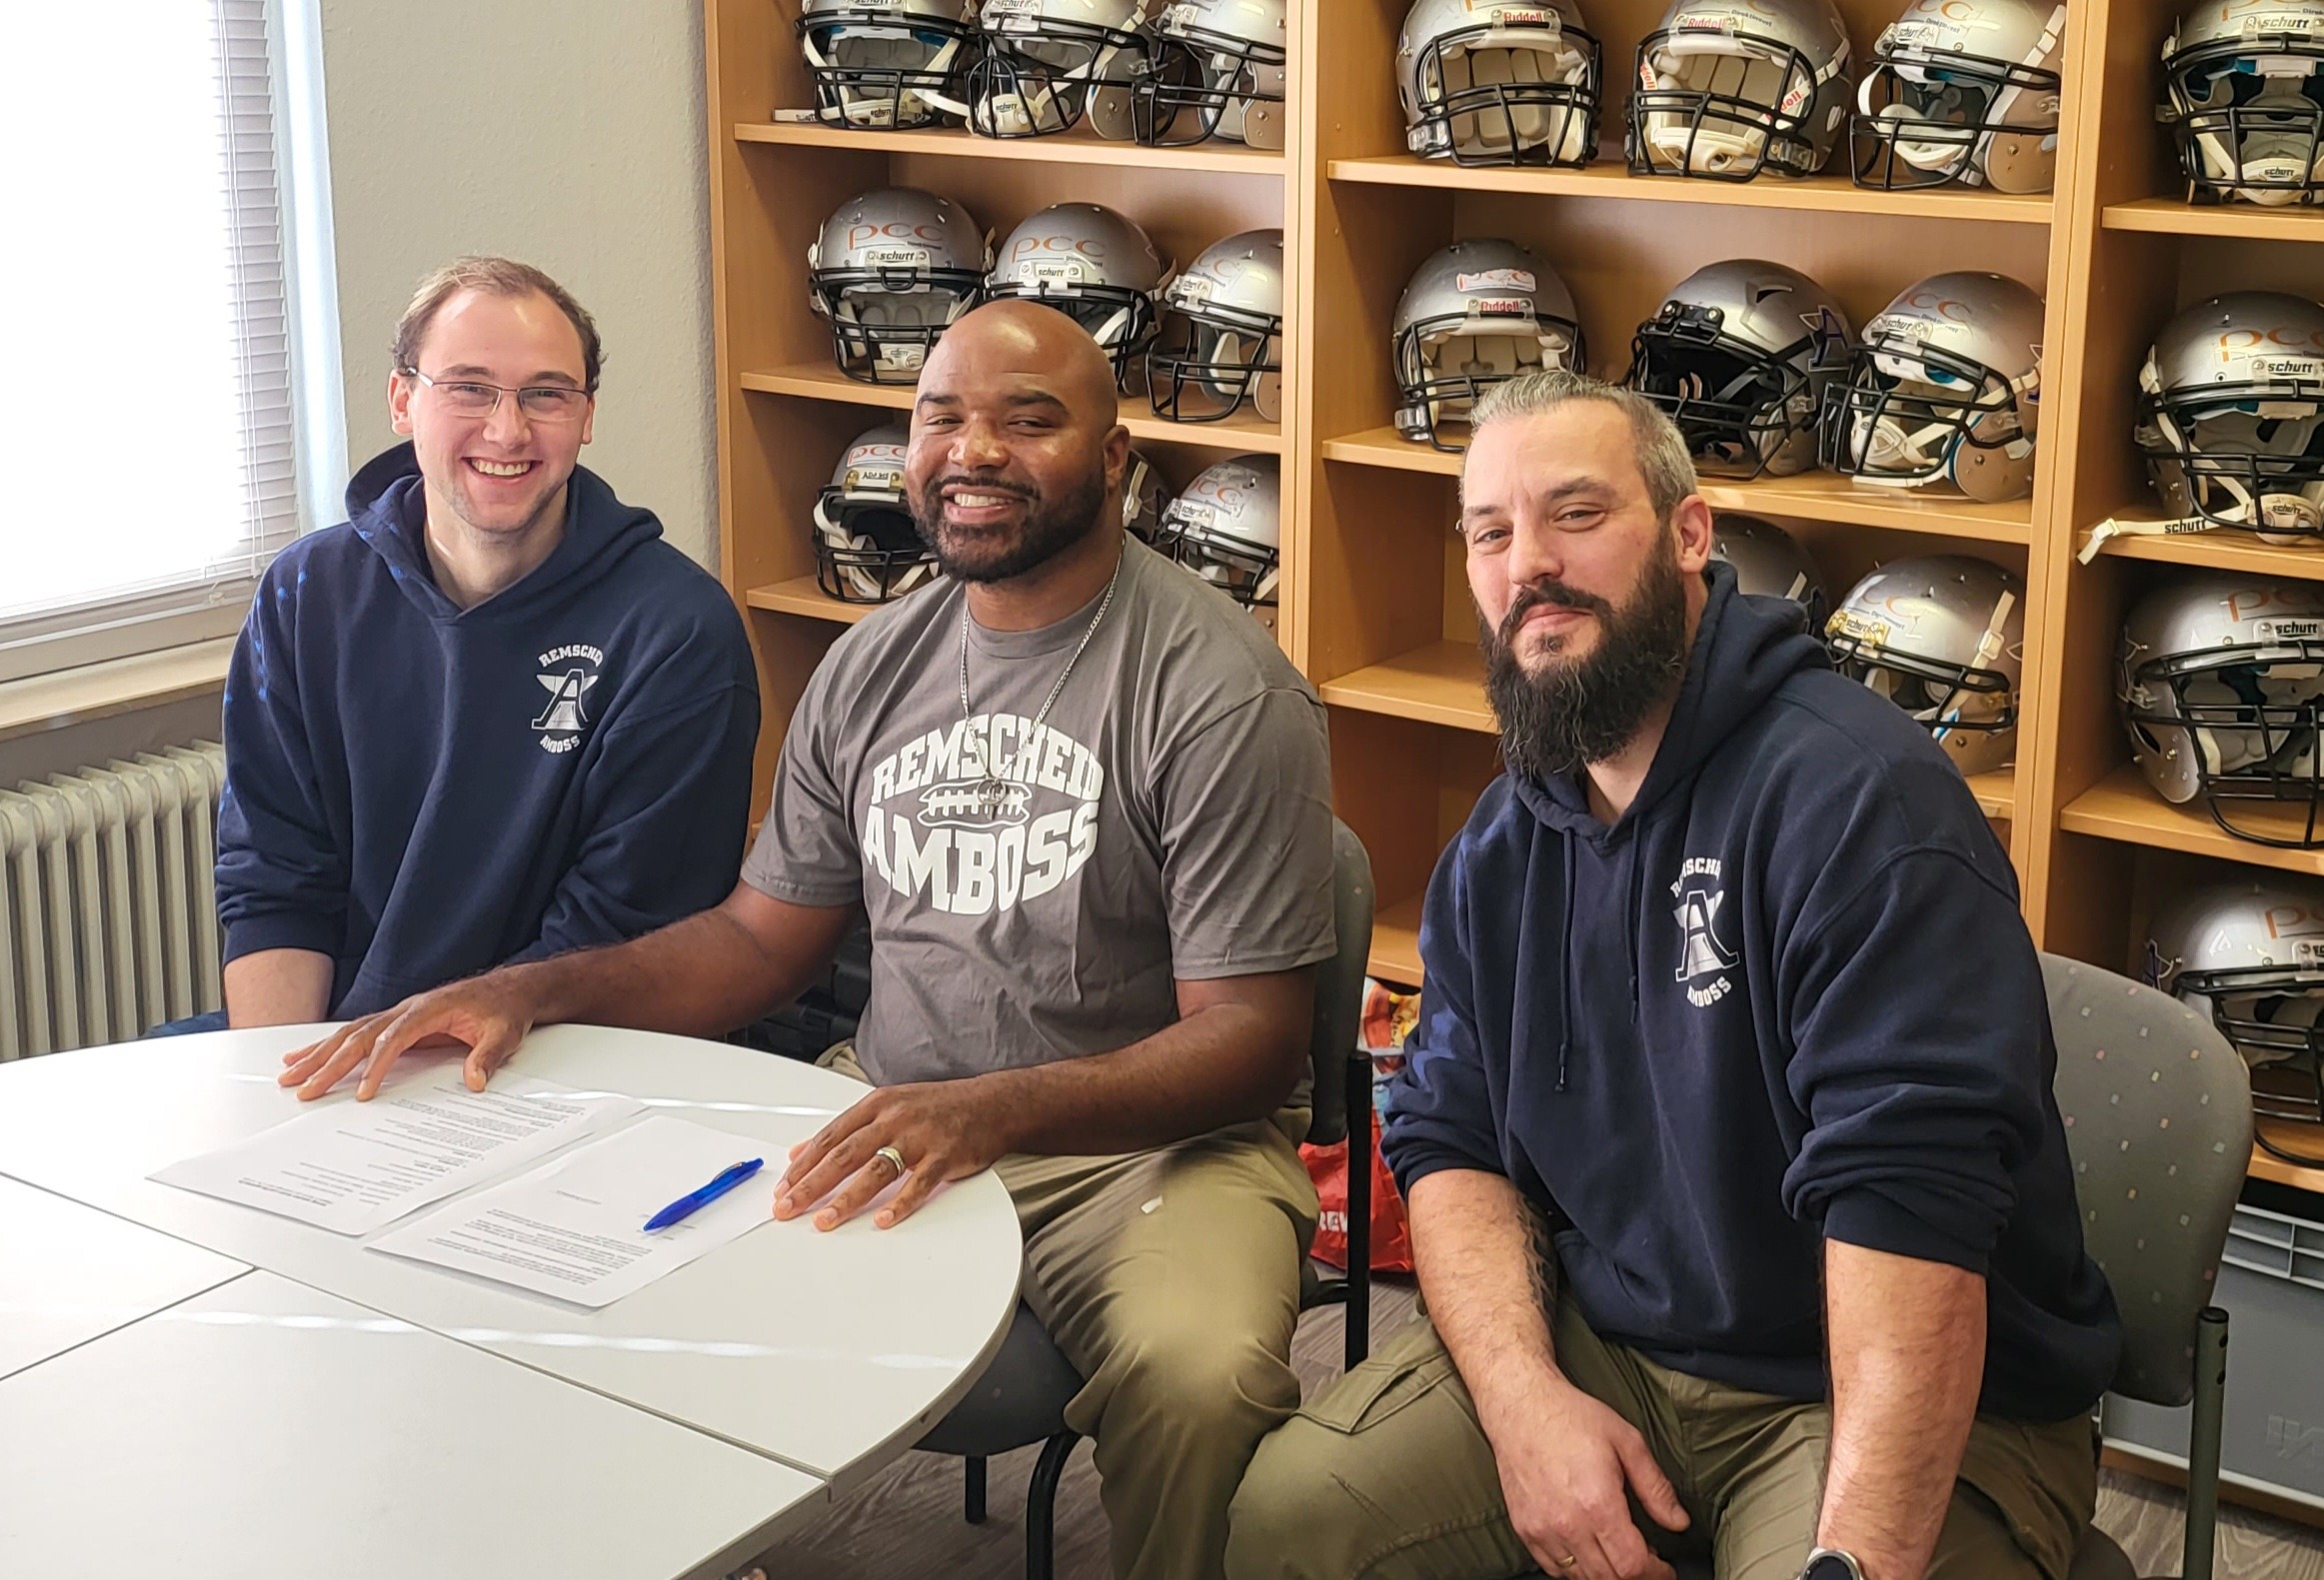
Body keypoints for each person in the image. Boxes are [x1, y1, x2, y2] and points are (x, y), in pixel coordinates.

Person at [274, 300, 1339, 1580]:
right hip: (893, 1117)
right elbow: (753, 944)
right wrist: (528, 990)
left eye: (1030, 419)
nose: (974, 450)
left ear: (1117, 460)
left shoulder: (1221, 688)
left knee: (1200, 1376)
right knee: (603, 1268)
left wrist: (990, 1111)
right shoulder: (871, 665)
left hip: (1152, 1150)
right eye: (942, 417)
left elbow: (1251, 1043)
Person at [1224, 371, 2121, 1580]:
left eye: (1576, 513)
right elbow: (1452, 1142)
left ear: (1689, 535)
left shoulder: (1862, 806)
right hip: (1621, 1348)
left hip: (1874, 1391)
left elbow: (1909, 1210)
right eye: (1490, 533)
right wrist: (1523, 1404)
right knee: (1296, 1520)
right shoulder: (1501, 845)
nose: (1526, 563)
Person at [182, 257, 759, 1036]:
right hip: (338, 1043)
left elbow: (620, 942)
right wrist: (281, 1084)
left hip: (553, 1053)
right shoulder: (305, 593)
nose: (507, 428)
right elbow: (277, 883)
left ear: (587, 416)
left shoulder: (677, 632)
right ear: (402, 399)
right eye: (468, 387)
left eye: (546, 393)